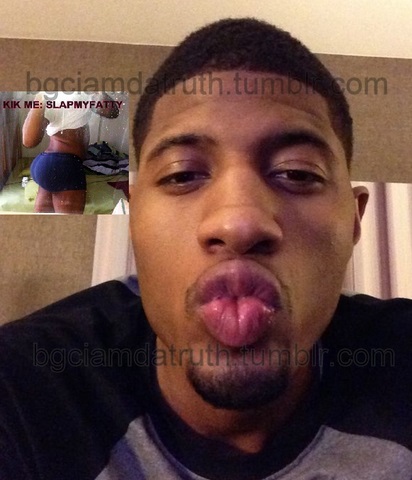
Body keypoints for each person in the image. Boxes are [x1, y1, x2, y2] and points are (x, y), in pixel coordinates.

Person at [1, 18, 411, 480]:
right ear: (134, 218)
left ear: (354, 219)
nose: (238, 223)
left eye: (297, 172)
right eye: (182, 174)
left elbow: (30, 137)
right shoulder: (22, 389)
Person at [22, 91, 119, 214]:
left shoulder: (60, 97)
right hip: (65, 166)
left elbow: (112, 112)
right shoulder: (68, 96)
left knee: (43, 222)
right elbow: (112, 111)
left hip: (46, 164)